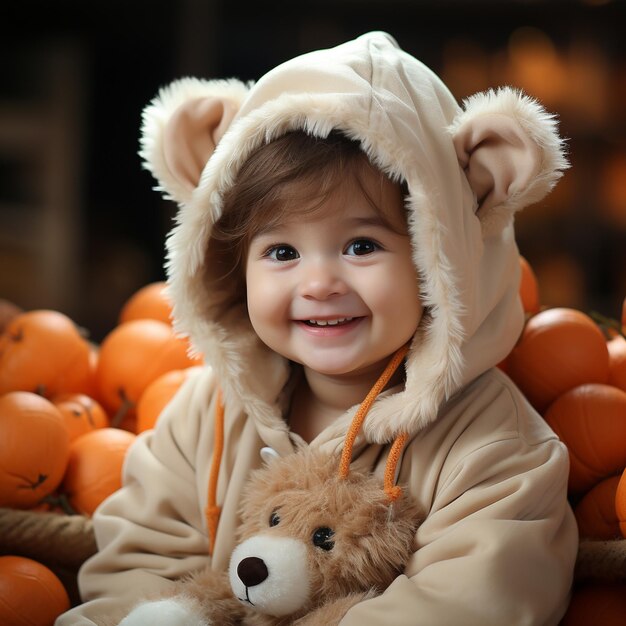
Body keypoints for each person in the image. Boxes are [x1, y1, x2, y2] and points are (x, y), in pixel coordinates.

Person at [57, 32, 578, 625]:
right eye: (281, 252)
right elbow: (136, 563)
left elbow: (471, 603)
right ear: (234, 267)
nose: (318, 283)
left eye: (361, 245)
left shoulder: (496, 449)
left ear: (445, 259)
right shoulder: (205, 414)